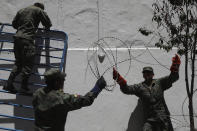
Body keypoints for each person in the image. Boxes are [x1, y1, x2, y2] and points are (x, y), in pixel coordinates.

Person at [113, 54, 181, 131]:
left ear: (153, 74)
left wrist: (175, 67)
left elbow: (173, 78)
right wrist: (120, 80)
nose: (147, 75)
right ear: (143, 75)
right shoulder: (139, 87)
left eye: (149, 73)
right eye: (145, 73)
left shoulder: (160, 82)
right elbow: (127, 89)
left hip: (163, 118)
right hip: (150, 119)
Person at [32, 68, 106, 131]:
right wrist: (98, 87)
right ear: (56, 82)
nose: (63, 82)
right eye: (63, 80)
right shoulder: (62, 99)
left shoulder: (37, 93)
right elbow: (86, 100)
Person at [3, 2, 52, 93]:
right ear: (41, 7)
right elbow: (47, 23)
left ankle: (9, 84)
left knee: (18, 63)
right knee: (28, 63)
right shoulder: (39, 10)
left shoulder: (22, 10)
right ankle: (23, 87)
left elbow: (14, 24)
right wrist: (45, 27)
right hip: (27, 39)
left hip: (17, 38)